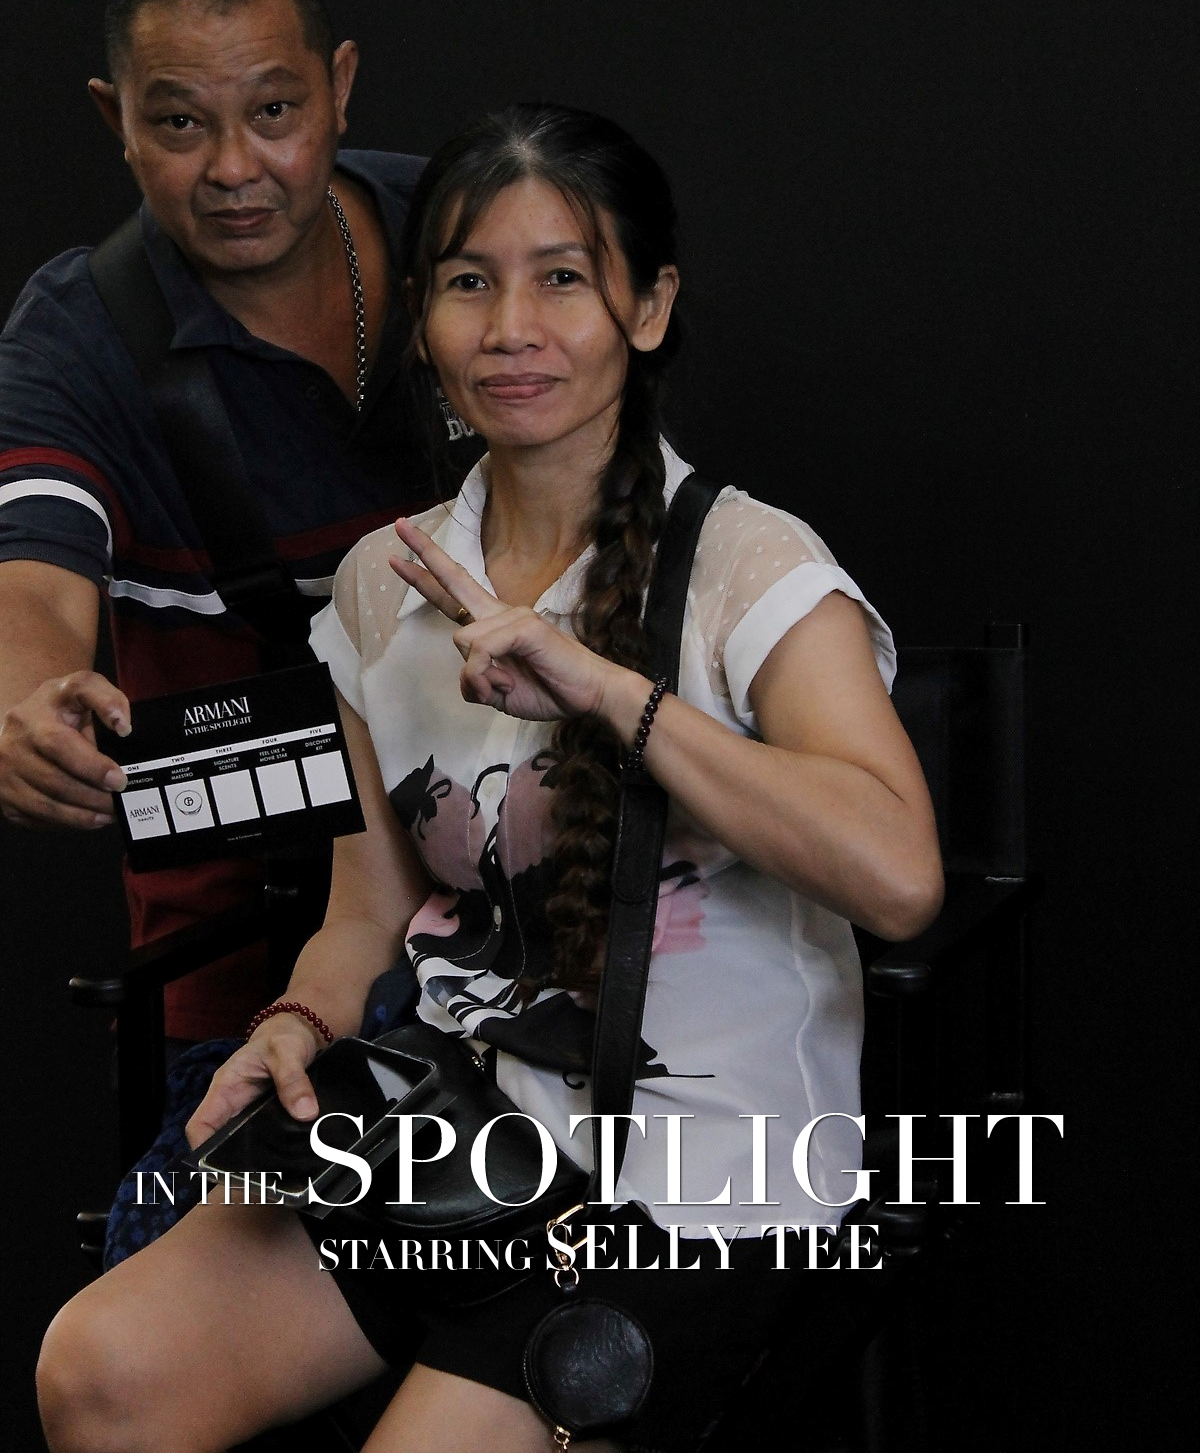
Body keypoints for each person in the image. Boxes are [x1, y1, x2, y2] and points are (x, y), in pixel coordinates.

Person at [37, 104, 943, 1453]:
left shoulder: (752, 568)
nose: (512, 326)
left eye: (562, 277)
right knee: (101, 1372)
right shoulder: (384, 583)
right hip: (460, 1130)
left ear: (649, 308)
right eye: (470, 282)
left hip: (705, 1177)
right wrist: (295, 1020)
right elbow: (363, 913)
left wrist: (608, 694)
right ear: (423, 319)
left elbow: (900, 881)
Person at [0, 0, 461, 1041]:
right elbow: (31, 572)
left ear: (338, 88)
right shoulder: (74, 339)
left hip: (517, 900)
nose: (234, 169)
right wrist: (26, 700)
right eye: (178, 122)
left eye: (273, 112)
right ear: (115, 119)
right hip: (239, 941)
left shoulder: (466, 238)